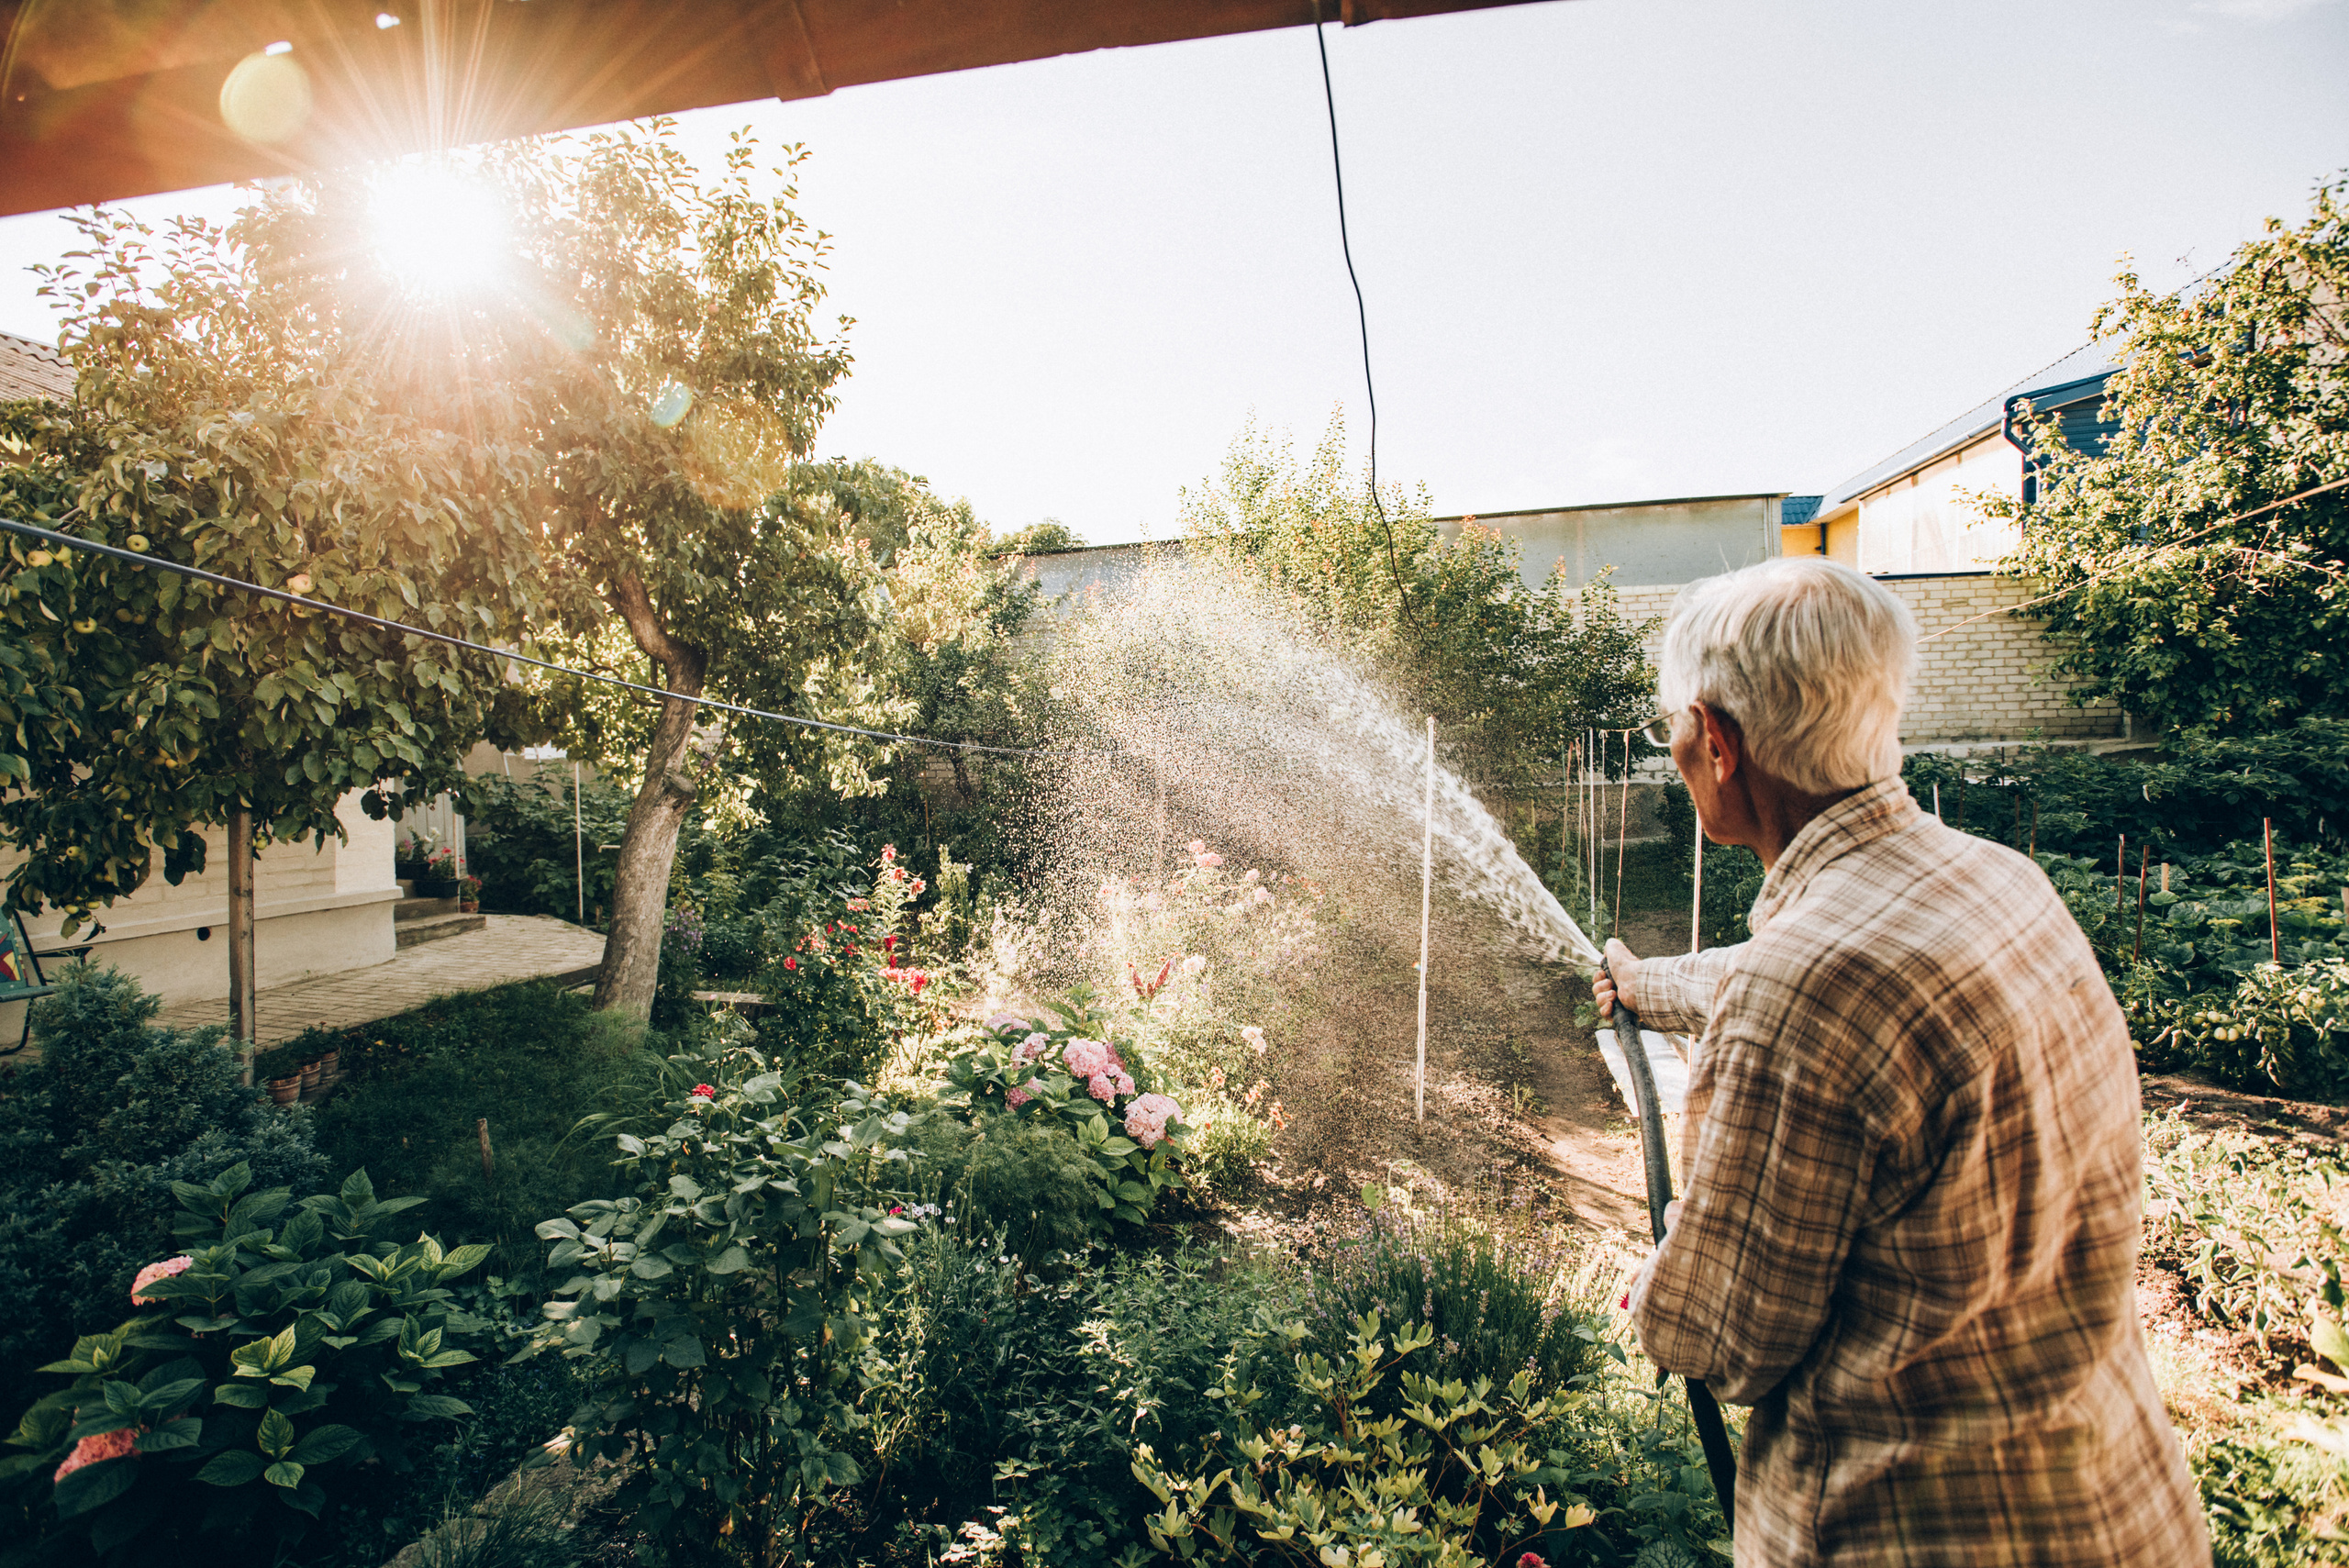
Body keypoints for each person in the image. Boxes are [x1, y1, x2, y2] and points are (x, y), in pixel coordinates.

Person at [1594, 557, 2204, 1566]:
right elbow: (1801, 983)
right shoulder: (1995, 882)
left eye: (1675, 730)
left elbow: (1721, 1338)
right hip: (2121, 1505)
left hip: (1920, 1531)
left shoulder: (1805, 988)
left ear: (1718, 740)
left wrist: (1664, 1272)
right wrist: (1645, 980)